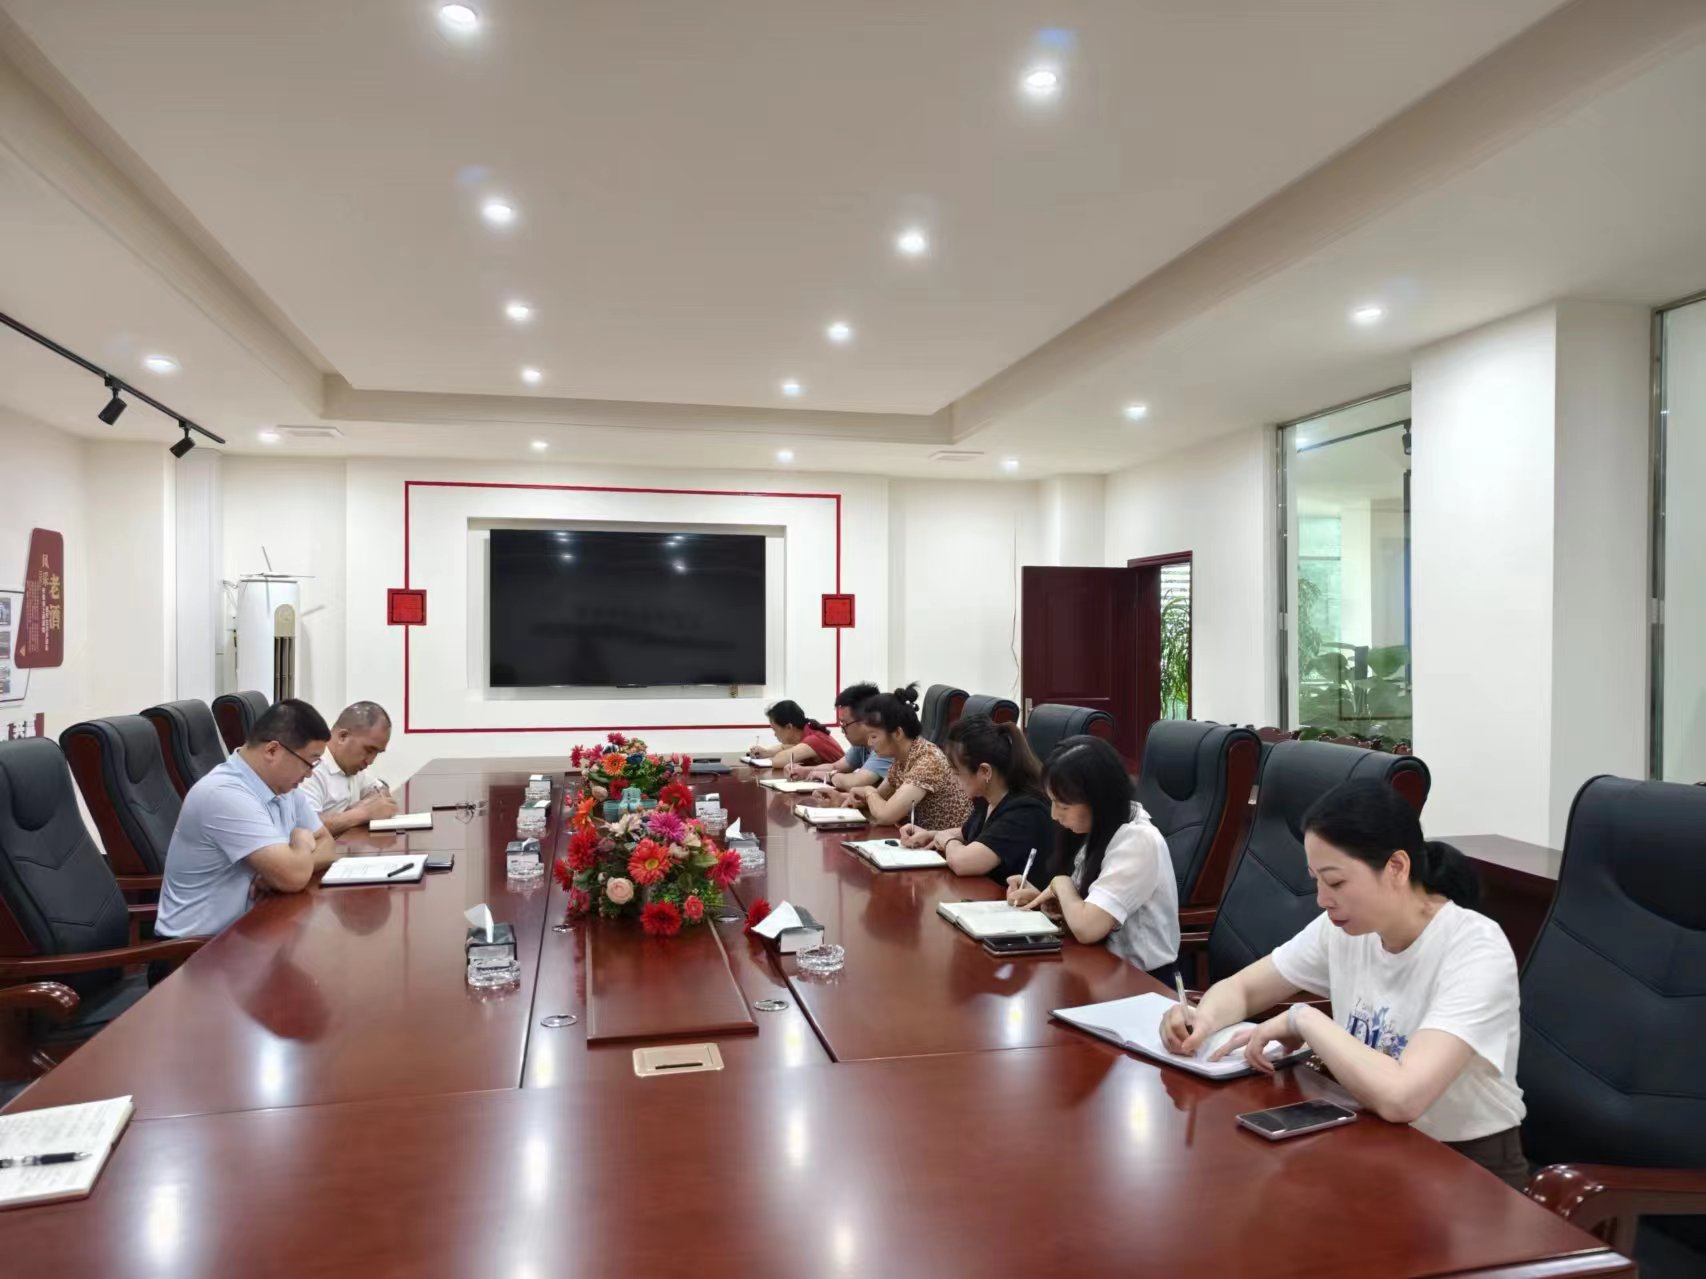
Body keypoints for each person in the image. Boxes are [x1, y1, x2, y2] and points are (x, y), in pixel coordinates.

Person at [1158, 779, 1528, 1188]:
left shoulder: (1475, 948)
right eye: (1316, 880)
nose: (1322, 898)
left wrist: (1303, 1019)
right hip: (1376, 1142)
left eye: (1335, 882)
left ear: (1397, 867)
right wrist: (1201, 1020)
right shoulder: (1347, 929)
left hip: (1466, 1170)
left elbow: (1402, 1097)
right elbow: (1244, 989)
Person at [155, 698, 338, 940]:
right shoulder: (224, 794)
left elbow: (328, 845)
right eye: (309, 763)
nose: (310, 774)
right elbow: (293, 877)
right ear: (272, 751)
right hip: (197, 949)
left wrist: (290, 866)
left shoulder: (284, 787)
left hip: (251, 930)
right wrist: (301, 844)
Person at [1008, 735, 1179, 982]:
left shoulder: (1138, 841)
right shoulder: (1096, 828)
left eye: (1063, 806)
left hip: (1141, 982)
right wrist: (1047, 901)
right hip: (1098, 969)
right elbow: (1088, 906)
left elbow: (1088, 928)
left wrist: (1061, 884)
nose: (1054, 815)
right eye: (1052, 802)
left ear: (1098, 800)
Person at [900, 714, 1053, 886]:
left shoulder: (1025, 812)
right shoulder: (988, 798)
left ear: (985, 771)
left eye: (957, 773)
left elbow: (963, 863)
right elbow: (971, 833)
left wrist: (947, 840)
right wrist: (930, 835)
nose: (953, 779)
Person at [814, 685, 971, 829]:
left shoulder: (928, 761)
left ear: (897, 733)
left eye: (874, 736)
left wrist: (868, 791)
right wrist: (840, 798)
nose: (869, 743)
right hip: (918, 841)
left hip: (943, 846)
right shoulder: (903, 758)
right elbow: (880, 798)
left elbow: (886, 815)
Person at [299, 701, 399, 835]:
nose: (370, 761)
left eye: (377, 753)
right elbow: (305, 827)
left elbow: (381, 790)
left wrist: (370, 805)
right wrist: (361, 813)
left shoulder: (354, 767)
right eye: (369, 750)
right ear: (343, 737)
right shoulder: (310, 767)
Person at [785, 682, 892, 790]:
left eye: (844, 724)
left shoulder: (886, 745)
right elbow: (835, 766)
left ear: (864, 721)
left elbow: (856, 782)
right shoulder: (861, 745)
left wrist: (830, 776)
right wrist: (803, 771)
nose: (842, 731)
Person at [750, 699, 845, 767]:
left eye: (775, 730)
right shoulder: (806, 732)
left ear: (789, 727)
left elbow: (778, 761)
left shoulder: (813, 740)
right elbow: (784, 747)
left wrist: (774, 754)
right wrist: (766, 752)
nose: (775, 734)